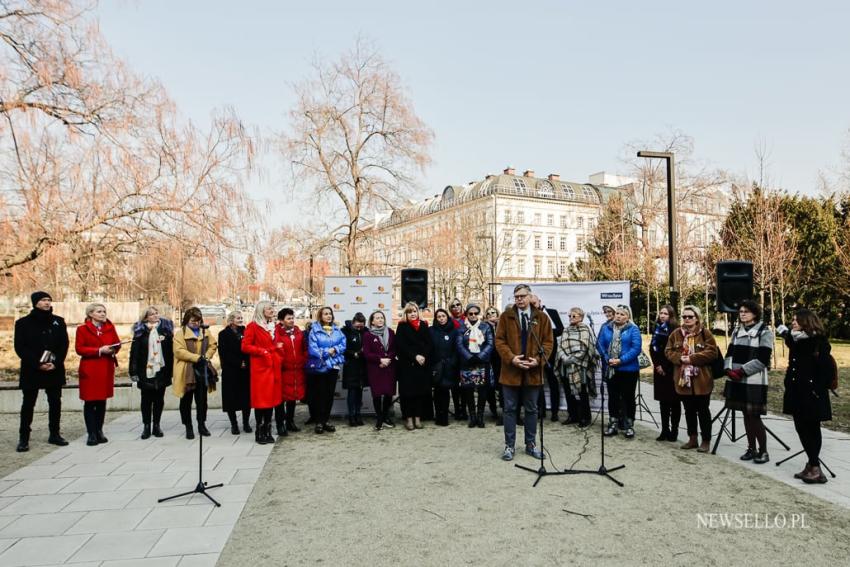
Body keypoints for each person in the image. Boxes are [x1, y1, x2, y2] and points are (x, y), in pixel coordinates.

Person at [494, 284, 554, 461]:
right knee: (510, 409)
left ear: (530, 297)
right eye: (516, 296)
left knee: (532, 409)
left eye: (522, 296)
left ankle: (531, 444)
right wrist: (512, 358)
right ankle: (509, 446)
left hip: (533, 371)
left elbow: (548, 342)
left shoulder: (541, 318)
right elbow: (499, 341)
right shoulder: (506, 317)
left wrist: (538, 360)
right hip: (511, 370)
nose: (519, 299)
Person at [779, 309, 833, 484]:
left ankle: (815, 467)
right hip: (796, 391)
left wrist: (816, 389)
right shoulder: (795, 340)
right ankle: (812, 465)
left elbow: (826, 370)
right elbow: (792, 362)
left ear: (806, 322)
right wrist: (788, 382)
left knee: (812, 429)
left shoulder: (819, 342)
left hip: (812, 394)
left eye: (796, 320)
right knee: (800, 428)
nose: (792, 322)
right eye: (792, 320)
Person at [14, 291, 70, 452]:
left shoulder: (58, 321)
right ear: (35, 302)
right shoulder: (23, 323)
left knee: (55, 402)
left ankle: (54, 433)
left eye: (49, 300)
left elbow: (63, 344)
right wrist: (37, 364)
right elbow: (20, 347)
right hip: (32, 369)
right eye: (43, 300)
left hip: (54, 368)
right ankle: (24, 438)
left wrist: (56, 362)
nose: (47, 303)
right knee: (28, 403)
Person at [723, 300, 774, 463]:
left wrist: (742, 371)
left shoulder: (765, 332)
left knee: (754, 416)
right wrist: (728, 369)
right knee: (745, 414)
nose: (742, 313)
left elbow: (763, 359)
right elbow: (730, 352)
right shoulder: (737, 331)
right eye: (741, 311)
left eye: (746, 311)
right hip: (736, 379)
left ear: (755, 313)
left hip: (754, 380)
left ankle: (763, 451)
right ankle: (751, 448)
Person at [665, 305, 719, 452]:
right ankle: (692, 438)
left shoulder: (705, 333)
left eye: (690, 316)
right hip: (683, 381)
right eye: (684, 317)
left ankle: (706, 440)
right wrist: (680, 359)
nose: (687, 319)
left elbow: (712, 352)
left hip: (702, 381)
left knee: (703, 411)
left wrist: (692, 358)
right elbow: (668, 351)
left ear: (697, 318)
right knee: (689, 410)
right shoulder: (676, 334)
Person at [76, 303, 121, 446]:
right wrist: (99, 350)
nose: (102, 314)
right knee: (90, 401)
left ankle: (99, 430)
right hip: (90, 368)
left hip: (106, 367)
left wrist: (113, 349)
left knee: (102, 400)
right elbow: (80, 348)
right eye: (99, 311)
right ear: (91, 314)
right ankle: (91, 433)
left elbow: (117, 343)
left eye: (104, 311)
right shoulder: (82, 329)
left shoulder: (110, 327)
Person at [596, 305, 642, 439]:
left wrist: (620, 360)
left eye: (622, 314)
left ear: (628, 317)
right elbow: (600, 344)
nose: (618, 316)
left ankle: (628, 425)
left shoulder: (633, 329)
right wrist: (607, 358)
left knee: (628, 398)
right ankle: (613, 424)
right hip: (611, 369)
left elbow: (636, 349)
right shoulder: (606, 328)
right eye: (617, 313)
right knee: (613, 397)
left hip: (628, 370)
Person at [173, 307, 218, 440]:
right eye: (193, 321)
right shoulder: (180, 333)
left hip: (202, 370)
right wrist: (196, 357)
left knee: (202, 400)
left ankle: (201, 424)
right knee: (186, 400)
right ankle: (188, 426)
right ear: (187, 320)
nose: (196, 324)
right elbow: (178, 351)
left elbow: (213, 345)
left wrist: (206, 357)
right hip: (186, 370)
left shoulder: (205, 332)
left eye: (198, 321)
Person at [129, 306, 174, 439]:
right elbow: (134, 353)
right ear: (146, 317)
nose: (155, 316)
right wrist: (133, 370)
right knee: (146, 400)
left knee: (159, 399)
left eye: (156, 313)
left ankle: (157, 425)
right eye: (152, 314)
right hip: (145, 370)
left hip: (161, 369)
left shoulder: (165, 330)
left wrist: (171, 371)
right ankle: (146, 426)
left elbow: (170, 353)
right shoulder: (140, 332)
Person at [242, 301, 283, 444]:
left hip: (273, 367)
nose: (272, 310)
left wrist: (278, 349)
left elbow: (276, 344)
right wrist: (262, 351)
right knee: (261, 401)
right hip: (261, 369)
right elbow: (245, 346)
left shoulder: (274, 327)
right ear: (261, 310)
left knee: (272, 400)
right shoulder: (252, 327)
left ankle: (268, 429)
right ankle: (259, 432)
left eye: (273, 308)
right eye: (269, 308)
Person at [306, 306, 346, 434]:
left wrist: (335, 350)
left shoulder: (337, 330)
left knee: (329, 395)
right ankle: (319, 421)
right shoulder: (315, 330)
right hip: (321, 366)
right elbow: (313, 349)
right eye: (325, 314)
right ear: (320, 316)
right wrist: (326, 352)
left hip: (333, 366)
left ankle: (326, 420)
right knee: (320, 395)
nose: (328, 316)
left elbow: (343, 344)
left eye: (330, 314)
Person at [395, 302, 433, 430]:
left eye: (414, 311)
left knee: (419, 393)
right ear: (406, 313)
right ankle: (408, 418)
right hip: (407, 365)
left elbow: (428, 343)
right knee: (407, 394)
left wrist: (422, 355)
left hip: (421, 365)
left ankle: (417, 418)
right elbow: (401, 346)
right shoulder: (402, 326)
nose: (412, 314)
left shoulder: (423, 325)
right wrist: (415, 356)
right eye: (410, 312)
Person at [556, 307, 596, 428]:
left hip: (581, 367)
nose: (571, 318)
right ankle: (572, 416)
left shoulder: (585, 329)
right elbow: (560, 346)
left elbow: (585, 348)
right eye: (569, 316)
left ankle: (585, 417)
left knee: (582, 392)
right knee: (569, 392)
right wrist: (565, 358)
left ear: (581, 317)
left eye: (574, 316)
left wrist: (572, 359)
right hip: (566, 366)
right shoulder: (566, 330)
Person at [456, 303, 494, 428]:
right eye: (470, 313)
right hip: (467, 362)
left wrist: (480, 356)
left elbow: (490, 343)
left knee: (483, 390)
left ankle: (480, 416)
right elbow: (459, 345)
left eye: (475, 313)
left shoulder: (485, 326)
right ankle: (472, 416)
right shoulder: (461, 328)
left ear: (479, 314)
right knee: (468, 390)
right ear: (466, 314)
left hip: (482, 362)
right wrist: (469, 357)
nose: (473, 316)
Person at [530, 295, 564, 422]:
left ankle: (555, 412)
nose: (533, 305)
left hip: (551, 353)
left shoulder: (551, 312)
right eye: (531, 303)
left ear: (540, 302)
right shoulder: (528, 315)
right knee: (538, 382)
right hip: (534, 353)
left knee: (553, 381)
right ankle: (541, 410)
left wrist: (546, 332)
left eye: (534, 303)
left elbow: (560, 329)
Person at [218, 310, 252, 435]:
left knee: (245, 398)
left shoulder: (246, 331)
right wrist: (238, 363)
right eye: (238, 318)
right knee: (231, 399)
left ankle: (246, 423)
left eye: (241, 317)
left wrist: (245, 363)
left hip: (245, 370)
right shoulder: (223, 334)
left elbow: (249, 347)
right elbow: (223, 352)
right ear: (231, 320)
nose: (240, 319)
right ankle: (234, 424)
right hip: (231, 370)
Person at [362, 310, 397, 430]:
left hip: (389, 367)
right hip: (375, 368)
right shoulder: (368, 335)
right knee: (377, 395)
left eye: (382, 317)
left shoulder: (391, 332)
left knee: (388, 394)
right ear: (372, 321)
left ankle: (385, 417)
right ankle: (379, 418)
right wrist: (380, 360)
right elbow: (366, 354)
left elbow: (394, 349)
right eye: (377, 318)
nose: (380, 320)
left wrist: (387, 359)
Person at [650, 304, 680, 442]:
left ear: (671, 316)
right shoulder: (657, 328)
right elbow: (653, 348)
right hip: (659, 369)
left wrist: (665, 367)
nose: (662, 315)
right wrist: (657, 365)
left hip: (672, 369)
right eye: (661, 313)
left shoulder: (676, 330)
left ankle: (674, 430)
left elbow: (675, 351)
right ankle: (664, 430)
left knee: (674, 402)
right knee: (663, 402)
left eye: (665, 314)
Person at [274, 308, 306, 434]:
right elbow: (276, 350)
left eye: (292, 318)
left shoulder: (298, 332)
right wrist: (282, 363)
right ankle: (280, 424)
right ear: (281, 320)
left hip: (297, 370)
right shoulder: (276, 333)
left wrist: (303, 359)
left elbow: (304, 348)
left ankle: (290, 421)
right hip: (283, 370)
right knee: (281, 399)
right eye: (288, 318)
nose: (292, 320)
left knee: (293, 397)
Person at [430, 308, 458, 426]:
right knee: (437, 392)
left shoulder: (454, 331)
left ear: (447, 317)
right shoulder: (431, 330)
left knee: (445, 391)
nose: (441, 319)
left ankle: (444, 417)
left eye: (443, 316)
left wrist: (452, 362)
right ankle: (438, 416)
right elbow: (429, 348)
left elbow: (457, 349)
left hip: (449, 366)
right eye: (439, 317)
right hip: (436, 366)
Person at [341, 313, 368, 427]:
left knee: (359, 392)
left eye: (361, 326)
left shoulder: (366, 331)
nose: (359, 328)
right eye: (357, 326)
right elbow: (342, 348)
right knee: (352, 392)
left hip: (362, 366)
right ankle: (351, 416)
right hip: (351, 365)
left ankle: (358, 414)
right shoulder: (345, 331)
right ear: (353, 323)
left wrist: (362, 352)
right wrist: (354, 354)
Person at [448, 298, 467, 420]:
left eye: (458, 304)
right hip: (453, 356)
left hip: (466, 356)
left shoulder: (468, 319)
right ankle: (457, 409)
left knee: (465, 385)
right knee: (455, 385)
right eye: (453, 306)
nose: (456, 307)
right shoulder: (448, 321)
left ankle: (464, 410)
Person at [484, 307, 503, 425]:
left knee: (502, 388)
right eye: (488, 313)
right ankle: (493, 410)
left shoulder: (502, 325)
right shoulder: (484, 327)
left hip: (501, 361)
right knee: (490, 387)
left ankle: (503, 413)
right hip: (489, 360)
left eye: (493, 312)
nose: (491, 314)